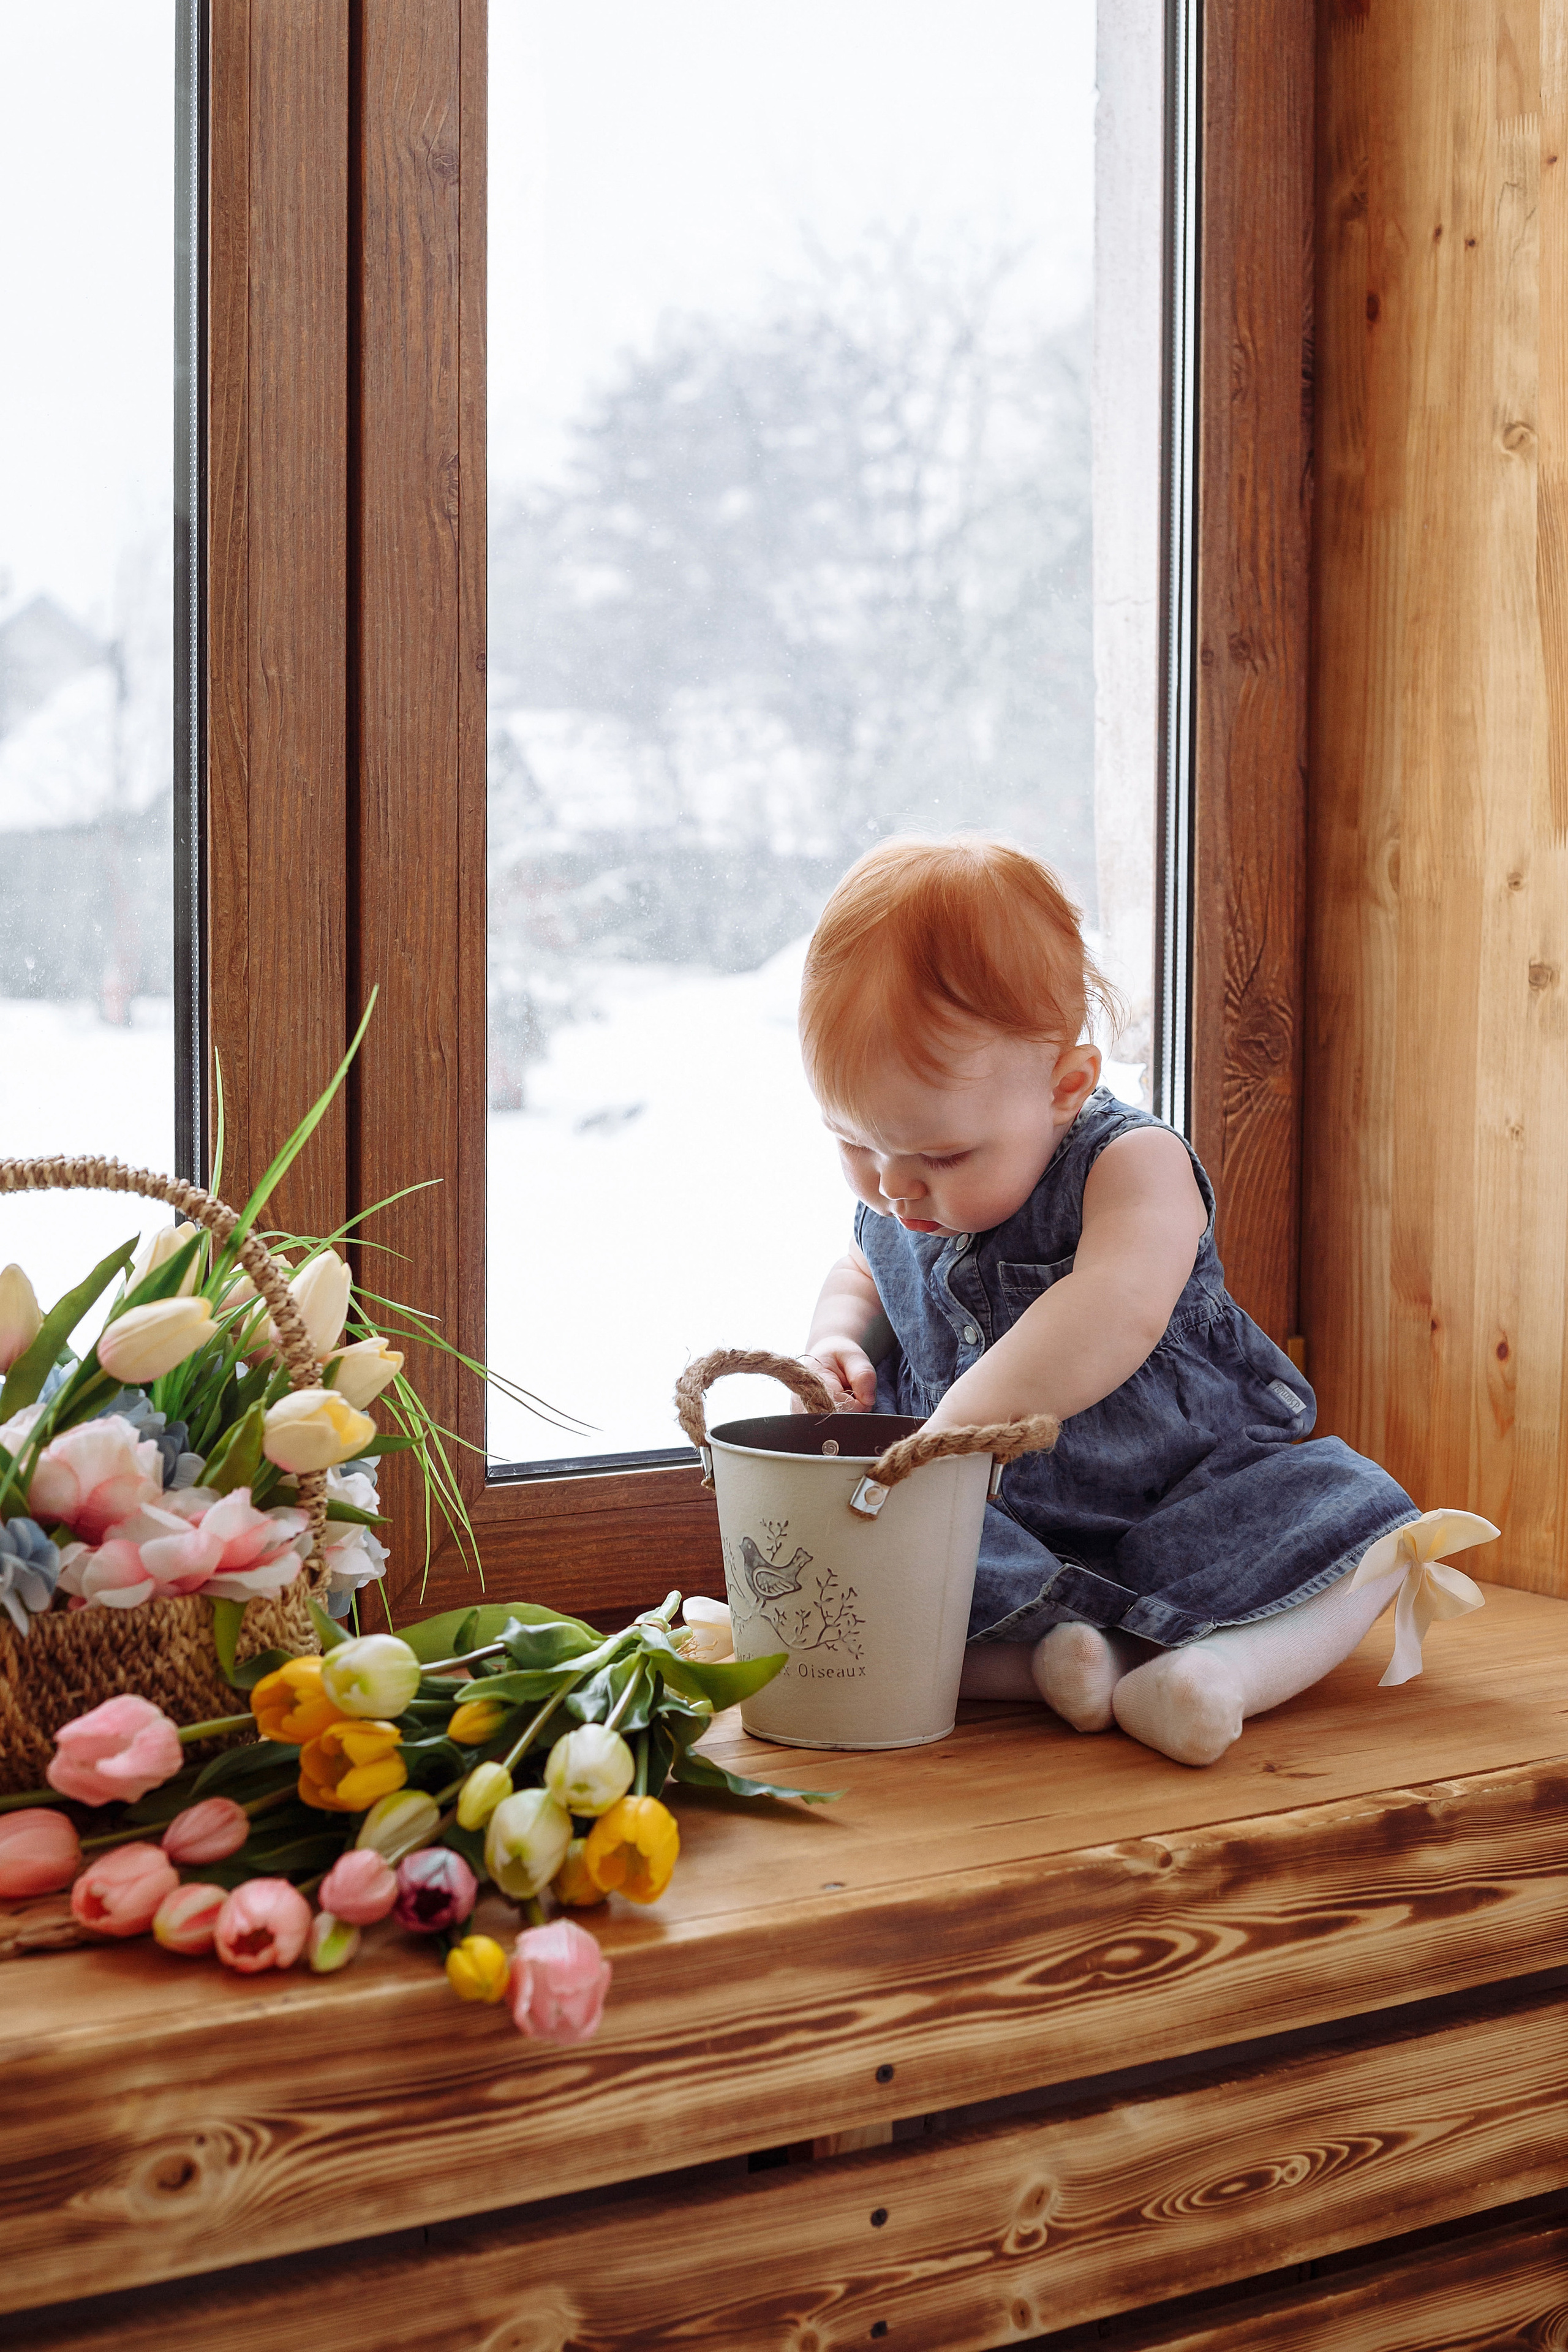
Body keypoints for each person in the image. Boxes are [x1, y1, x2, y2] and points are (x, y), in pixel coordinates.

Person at [794, 834, 1493, 1766]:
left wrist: (962, 1421)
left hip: (1189, 1497)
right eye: (855, 1143)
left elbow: (1113, 1310)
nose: (893, 1188)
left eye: (941, 1155)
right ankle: (1063, 1662)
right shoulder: (898, 1189)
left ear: (1065, 1086)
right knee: (853, 1574)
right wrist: (836, 1340)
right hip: (1002, 1526)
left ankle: (1222, 1678)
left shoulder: (1131, 1165)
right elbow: (860, 1270)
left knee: (1367, 1527)